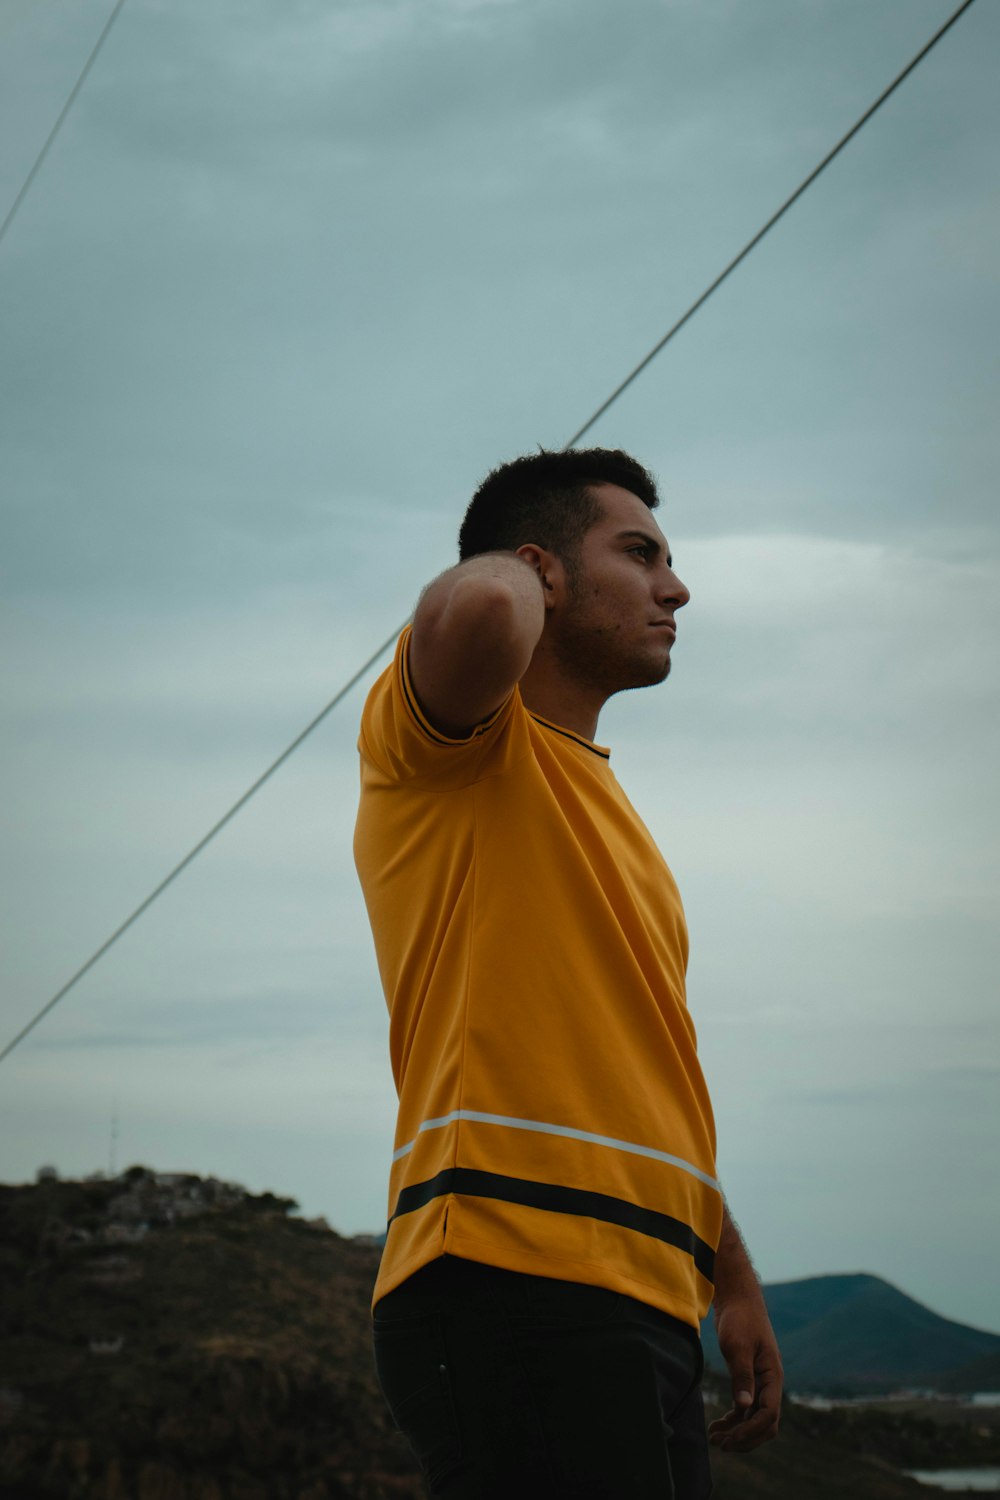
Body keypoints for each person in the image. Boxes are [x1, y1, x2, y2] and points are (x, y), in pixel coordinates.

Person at [354, 447, 782, 1499]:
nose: (675, 587)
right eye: (639, 554)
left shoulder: (614, 819)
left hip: (639, 1293)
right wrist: (511, 567)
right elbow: (476, 621)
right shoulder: (451, 748)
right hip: (510, 1275)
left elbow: (643, 1063)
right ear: (545, 570)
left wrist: (730, 1275)